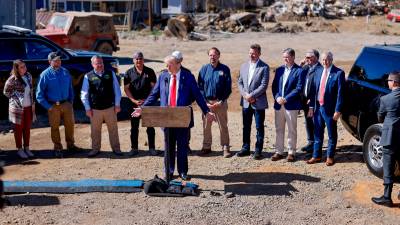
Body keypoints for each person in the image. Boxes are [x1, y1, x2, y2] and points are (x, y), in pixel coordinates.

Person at [132, 55, 215, 181]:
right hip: (166, 117)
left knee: (182, 146)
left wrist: (206, 111)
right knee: (168, 146)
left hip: (182, 117)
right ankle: (169, 171)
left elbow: (197, 95)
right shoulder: (163, 77)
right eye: (166, 65)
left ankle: (183, 171)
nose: (167, 67)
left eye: (169, 65)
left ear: (177, 64)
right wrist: (143, 108)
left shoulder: (187, 77)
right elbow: (153, 95)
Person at [36, 52, 80, 158]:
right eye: (55, 60)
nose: (58, 62)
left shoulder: (65, 72)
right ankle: (58, 148)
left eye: (59, 60)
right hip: (53, 106)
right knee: (55, 127)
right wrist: (49, 107)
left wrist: (70, 102)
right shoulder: (45, 75)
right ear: (49, 61)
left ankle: (71, 145)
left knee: (70, 125)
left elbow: (70, 88)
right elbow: (39, 95)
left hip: (66, 104)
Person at [306, 51, 345, 166]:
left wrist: (338, 110)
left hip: (330, 110)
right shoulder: (318, 71)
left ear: (331, 59)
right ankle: (316, 156)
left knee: (331, 134)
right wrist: (311, 107)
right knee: (317, 133)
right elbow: (313, 90)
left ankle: (330, 157)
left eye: (327, 59)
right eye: (323, 60)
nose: (325, 62)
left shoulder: (338, 73)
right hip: (318, 108)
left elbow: (340, 94)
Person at [81, 55, 122, 157]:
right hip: (95, 110)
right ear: (92, 64)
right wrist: (87, 108)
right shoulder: (88, 76)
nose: (99, 65)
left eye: (101, 63)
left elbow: (117, 90)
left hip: (110, 108)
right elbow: (84, 94)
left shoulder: (110, 73)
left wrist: (117, 105)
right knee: (95, 131)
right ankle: (95, 149)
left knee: (113, 129)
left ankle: (116, 149)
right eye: (97, 63)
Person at [371, 71, 400, 207]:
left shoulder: (386, 99)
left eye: (389, 80)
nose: (388, 82)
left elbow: (380, 118)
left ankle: (387, 197)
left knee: (388, 168)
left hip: (390, 137)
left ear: (394, 82)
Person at [197, 47, 232, 158]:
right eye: (210, 55)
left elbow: (228, 87)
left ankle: (225, 147)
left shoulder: (225, 69)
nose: (212, 57)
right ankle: (206, 147)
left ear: (218, 56)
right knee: (206, 126)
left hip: (220, 102)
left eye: (214, 55)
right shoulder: (204, 69)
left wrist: (221, 101)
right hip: (207, 103)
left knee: (223, 126)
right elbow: (200, 87)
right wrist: (204, 102)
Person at [237, 44, 270, 160]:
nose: (251, 55)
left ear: (259, 54)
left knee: (259, 127)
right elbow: (239, 83)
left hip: (258, 102)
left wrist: (252, 95)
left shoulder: (264, 67)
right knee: (246, 126)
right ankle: (245, 148)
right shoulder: (243, 66)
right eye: (250, 53)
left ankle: (258, 150)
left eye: (254, 53)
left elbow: (264, 85)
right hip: (246, 102)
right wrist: (245, 95)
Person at [271, 48, 304, 162]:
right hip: (279, 104)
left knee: (291, 129)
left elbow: (299, 88)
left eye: (287, 57)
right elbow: (274, 86)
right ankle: (279, 151)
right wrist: (277, 97)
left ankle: (291, 152)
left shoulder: (299, 71)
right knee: (279, 129)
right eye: (284, 57)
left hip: (291, 105)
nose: (285, 59)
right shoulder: (279, 70)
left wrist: (286, 98)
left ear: (293, 57)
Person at [124, 51, 157, 156]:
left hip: (148, 104)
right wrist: (133, 100)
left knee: (150, 127)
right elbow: (126, 89)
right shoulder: (129, 73)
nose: (138, 60)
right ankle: (134, 148)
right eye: (136, 59)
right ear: (133, 60)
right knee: (134, 127)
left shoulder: (150, 71)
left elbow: (154, 88)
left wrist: (147, 101)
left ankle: (152, 148)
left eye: (140, 58)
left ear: (143, 59)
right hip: (134, 104)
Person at [3, 60, 35, 159]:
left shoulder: (28, 75)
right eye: (21, 67)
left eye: (24, 66)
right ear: (16, 68)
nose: (24, 68)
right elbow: (6, 92)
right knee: (18, 130)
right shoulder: (12, 79)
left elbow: (31, 90)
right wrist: (16, 98)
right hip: (17, 109)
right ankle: (19, 150)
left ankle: (27, 148)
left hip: (29, 106)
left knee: (27, 129)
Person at [300, 49, 323, 153]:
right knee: (308, 121)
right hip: (305, 100)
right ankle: (310, 142)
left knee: (316, 123)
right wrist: (300, 66)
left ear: (316, 58)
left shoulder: (320, 69)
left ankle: (316, 144)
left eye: (309, 57)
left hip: (314, 101)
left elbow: (319, 87)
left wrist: (312, 99)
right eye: (306, 57)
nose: (307, 59)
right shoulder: (306, 68)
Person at [172, 50, 193, 154]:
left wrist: (188, 102)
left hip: (184, 107)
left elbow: (193, 91)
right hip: (171, 107)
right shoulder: (166, 72)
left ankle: (186, 145)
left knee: (185, 127)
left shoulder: (187, 73)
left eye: (177, 59)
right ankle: (173, 147)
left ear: (181, 60)